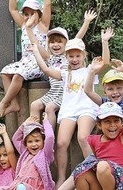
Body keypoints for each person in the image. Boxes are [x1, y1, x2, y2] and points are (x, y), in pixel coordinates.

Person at [30, 37, 98, 188]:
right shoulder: (65, 73)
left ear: (84, 56)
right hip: (69, 110)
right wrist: (36, 52)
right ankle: (61, 177)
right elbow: (46, 70)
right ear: (66, 57)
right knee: (61, 143)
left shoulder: (89, 71)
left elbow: (105, 61)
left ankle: (93, 170)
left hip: (86, 108)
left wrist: (105, 42)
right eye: (71, 56)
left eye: (78, 56)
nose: (74, 59)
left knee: (82, 137)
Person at [72, 84, 123, 190]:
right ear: (99, 125)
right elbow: (98, 159)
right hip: (107, 182)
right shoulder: (94, 140)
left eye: (116, 121)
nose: (112, 125)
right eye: (107, 121)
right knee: (81, 173)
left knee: (102, 165)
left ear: (122, 122)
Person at [0, 0, 51, 117]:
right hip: (25, 61)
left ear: (38, 14)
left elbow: (47, 4)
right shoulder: (24, 26)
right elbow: (13, 10)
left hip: (39, 62)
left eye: (32, 14)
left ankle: (3, 103)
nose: (28, 17)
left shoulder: (43, 26)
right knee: (5, 72)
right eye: (26, 14)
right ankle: (13, 103)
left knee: (19, 75)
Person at [28, 9, 98, 129]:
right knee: (34, 105)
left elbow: (78, 37)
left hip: (65, 93)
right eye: (52, 42)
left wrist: (86, 22)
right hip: (53, 92)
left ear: (66, 44)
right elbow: (36, 44)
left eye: (60, 42)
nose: (56, 45)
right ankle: (34, 132)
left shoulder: (68, 56)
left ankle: (50, 136)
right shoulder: (49, 57)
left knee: (50, 107)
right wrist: (28, 29)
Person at [85, 44, 123, 157]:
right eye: (110, 89)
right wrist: (92, 71)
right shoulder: (105, 103)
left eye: (119, 88)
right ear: (105, 92)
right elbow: (88, 91)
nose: (115, 92)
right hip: (108, 140)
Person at [0, 114, 55, 189]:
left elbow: (50, 137)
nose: (34, 144)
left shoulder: (45, 154)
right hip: (19, 186)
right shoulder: (25, 153)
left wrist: (45, 122)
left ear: (43, 141)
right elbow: (15, 138)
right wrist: (24, 124)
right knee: (0, 188)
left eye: (37, 141)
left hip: (35, 188)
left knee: (21, 187)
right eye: (30, 142)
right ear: (26, 144)